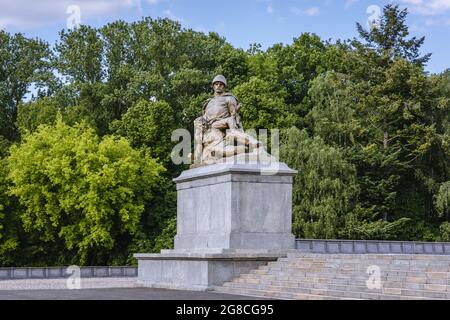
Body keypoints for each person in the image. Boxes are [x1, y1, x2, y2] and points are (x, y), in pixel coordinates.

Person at [193, 75, 264, 165]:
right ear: (213, 86)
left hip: (225, 123)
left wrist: (235, 127)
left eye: (221, 84)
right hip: (211, 128)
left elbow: (234, 115)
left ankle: (252, 142)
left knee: (231, 125)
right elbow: (204, 118)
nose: (218, 86)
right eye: (216, 84)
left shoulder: (229, 98)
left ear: (224, 86)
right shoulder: (208, 102)